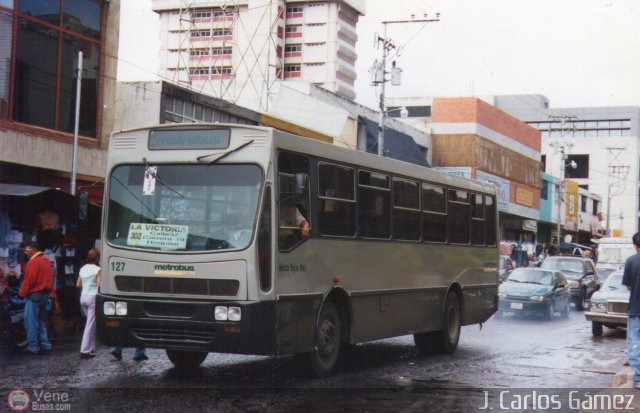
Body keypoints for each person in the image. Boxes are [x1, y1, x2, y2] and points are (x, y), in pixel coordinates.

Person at [18, 241, 53, 355]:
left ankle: (33, 346)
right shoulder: (46, 261)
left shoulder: (33, 262)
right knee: (41, 321)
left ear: (33, 250)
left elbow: (29, 281)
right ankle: (45, 344)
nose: (26, 253)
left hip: (35, 296)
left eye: (27, 250)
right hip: (45, 295)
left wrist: (22, 293)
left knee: (31, 322)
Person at [622, 232, 640, 389]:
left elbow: (628, 285)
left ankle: (639, 378)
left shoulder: (630, 261)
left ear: (635, 245)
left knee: (634, 344)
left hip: (635, 309)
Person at [76, 248, 101, 359]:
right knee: (90, 325)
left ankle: (91, 349)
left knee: (91, 323)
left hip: (83, 297)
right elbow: (100, 285)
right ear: (97, 258)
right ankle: (84, 350)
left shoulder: (82, 269)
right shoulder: (98, 269)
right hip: (93, 297)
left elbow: (78, 284)